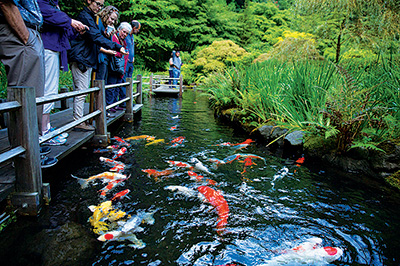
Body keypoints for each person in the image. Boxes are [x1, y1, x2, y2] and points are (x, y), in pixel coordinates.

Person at [0, 0, 57, 167]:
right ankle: (26, 158)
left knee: (31, 95)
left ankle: (29, 149)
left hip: (21, 33)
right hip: (17, 32)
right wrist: (26, 37)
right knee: (25, 96)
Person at [68, 0, 127, 131]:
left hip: (86, 58)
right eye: (98, 4)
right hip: (81, 57)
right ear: (89, 1)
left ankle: (80, 119)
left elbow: (96, 37)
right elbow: (95, 37)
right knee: (81, 91)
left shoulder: (92, 17)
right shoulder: (85, 17)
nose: (99, 8)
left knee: (83, 90)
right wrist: (117, 46)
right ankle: (78, 121)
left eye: (101, 5)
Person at [38, 0, 88, 145]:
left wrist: (76, 30)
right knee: (47, 90)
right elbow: (47, 14)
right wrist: (70, 21)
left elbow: (65, 31)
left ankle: (46, 127)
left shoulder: (55, 5)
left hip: (54, 49)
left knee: (51, 90)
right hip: (47, 48)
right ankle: (44, 131)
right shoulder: (45, 4)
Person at [106, 22, 131, 110]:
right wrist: (120, 53)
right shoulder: (113, 37)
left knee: (117, 86)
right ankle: (109, 106)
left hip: (120, 67)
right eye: (124, 32)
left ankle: (115, 104)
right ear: (119, 29)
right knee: (111, 86)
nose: (125, 34)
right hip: (113, 66)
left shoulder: (123, 41)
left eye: (127, 33)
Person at [96, 5, 119, 83]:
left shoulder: (106, 26)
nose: (112, 22)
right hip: (100, 58)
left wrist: (108, 36)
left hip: (106, 59)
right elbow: (96, 42)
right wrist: (106, 51)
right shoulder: (98, 22)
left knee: (104, 82)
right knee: (100, 81)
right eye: (111, 19)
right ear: (106, 14)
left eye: (114, 20)